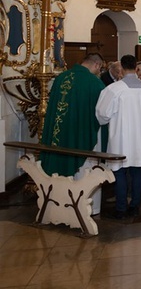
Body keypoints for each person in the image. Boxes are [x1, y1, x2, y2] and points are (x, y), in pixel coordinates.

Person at [40, 53, 108, 214]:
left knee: (60, 162)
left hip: (60, 136)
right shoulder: (95, 83)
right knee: (86, 170)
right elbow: (102, 115)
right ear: (97, 65)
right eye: (101, 68)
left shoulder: (60, 78)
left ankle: (58, 205)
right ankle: (87, 209)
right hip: (82, 136)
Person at [95, 54, 141, 218]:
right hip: (140, 138)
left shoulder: (114, 89)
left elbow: (102, 113)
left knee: (120, 172)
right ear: (136, 67)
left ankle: (121, 208)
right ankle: (134, 206)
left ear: (121, 67)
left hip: (121, 137)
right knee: (137, 172)